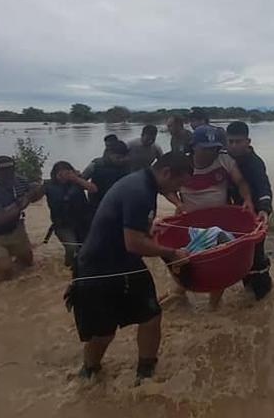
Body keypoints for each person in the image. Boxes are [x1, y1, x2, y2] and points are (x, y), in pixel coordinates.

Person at [67, 152, 193, 383]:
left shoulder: (143, 181)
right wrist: (172, 253)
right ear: (166, 173)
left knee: (151, 316)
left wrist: (149, 230)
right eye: (178, 183)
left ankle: (146, 372)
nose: (177, 191)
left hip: (125, 262)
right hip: (99, 268)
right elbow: (134, 243)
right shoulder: (140, 191)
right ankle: (89, 371)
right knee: (103, 332)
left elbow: (131, 230)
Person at [165, 125, 253, 307]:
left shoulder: (224, 160)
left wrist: (247, 200)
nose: (211, 153)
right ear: (194, 146)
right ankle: (180, 293)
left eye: (214, 148)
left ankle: (214, 305)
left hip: (220, 222)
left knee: (218, 264)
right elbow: (164, 187)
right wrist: (178, 204)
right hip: (190, 223)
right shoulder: (182, 164)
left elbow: (241, 181)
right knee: (186, 260)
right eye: (206, 149)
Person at [0, 156, 45, 281]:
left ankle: (18, 287)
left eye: (11, 171)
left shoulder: (19, 180)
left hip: (14, 228)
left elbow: (34, 195)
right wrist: (24, 201)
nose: (8, 176)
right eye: (3, 173)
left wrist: (39, 190)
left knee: (27, 263)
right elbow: (0, 219)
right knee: (5, 269)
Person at [226, 121, 274, 300]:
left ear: (248, 141)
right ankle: (248, 290)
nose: (233, 146)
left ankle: (263, 296)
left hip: (255, 216)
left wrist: (264, 209)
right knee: (239, 255)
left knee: (257, 256)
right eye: (230, 141)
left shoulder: (255, 163)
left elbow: (264, 187)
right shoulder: (225, 159)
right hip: (234, 215)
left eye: (238, 141)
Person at [45, 161, 97, 268]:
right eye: (60, 174)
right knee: (72, 247)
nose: (64, 177)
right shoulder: (48, 186)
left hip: (82, 222)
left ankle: (79, 264)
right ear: (55, 174)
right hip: (62, 225)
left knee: (87, 248)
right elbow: (34, 197)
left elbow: (93, 189)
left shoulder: (77, 183)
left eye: (67, 173)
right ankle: (69, 264)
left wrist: (76, 178)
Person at [83, 141, 131, 211]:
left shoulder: (126, 166)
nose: (120, 160)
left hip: (118, 204)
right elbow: (82, 180)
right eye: (118, 157)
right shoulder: (96, 165)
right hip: (97, 204)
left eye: (123, 157)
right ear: (110, 154)